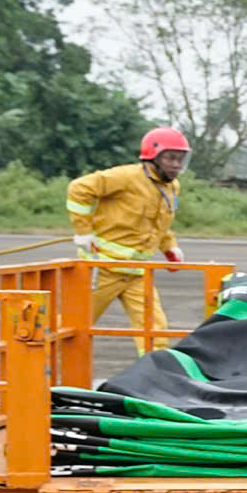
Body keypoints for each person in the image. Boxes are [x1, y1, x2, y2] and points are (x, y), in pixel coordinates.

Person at [67, 128, 190, 353]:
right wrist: (83, 231)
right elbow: (78, 188)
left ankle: (153, 376)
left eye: (180, 159)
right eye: (171, 158)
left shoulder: (172, 187)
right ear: (153, 157)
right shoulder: (126, 177)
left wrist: (169, 246)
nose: (176, 165)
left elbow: (160, 222)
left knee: (155, 331)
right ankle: (38, 365)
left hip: (137, 272)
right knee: (72, 326)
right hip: (102, 269)